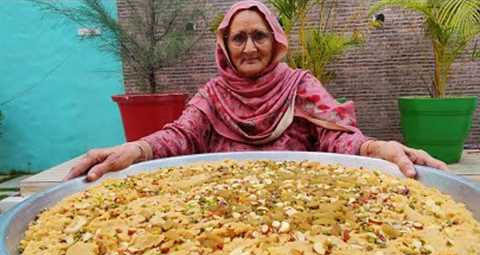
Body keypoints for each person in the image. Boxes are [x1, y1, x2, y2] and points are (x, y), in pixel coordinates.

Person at [65, 0, 448, 182]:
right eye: (239, 38)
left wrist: (377, 149)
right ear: (226, 47)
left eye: (259, 36)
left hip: (303, 202)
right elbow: (180, 137)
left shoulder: (301, 86)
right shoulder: (212, 95)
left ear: (276, 40)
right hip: (220, 206)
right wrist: (135, 149)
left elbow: (339, 141)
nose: (249, 48)